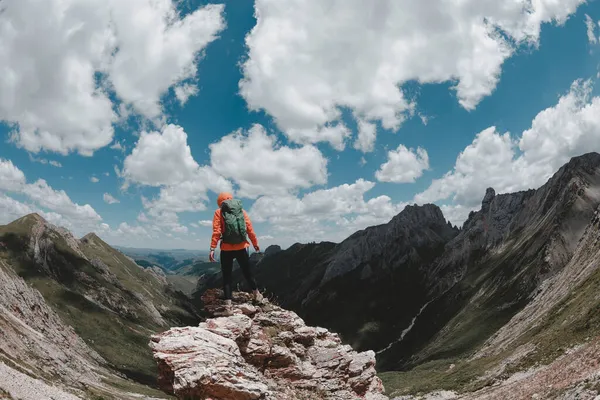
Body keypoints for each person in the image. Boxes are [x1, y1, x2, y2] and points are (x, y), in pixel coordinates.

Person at [209, 192, 263, 306]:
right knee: (247, 272)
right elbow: (249, 229)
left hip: (226, 248)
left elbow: (217, 231)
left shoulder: (219, 212)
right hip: (241, 247)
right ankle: (257, 295)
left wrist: (212, 248)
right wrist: (255, 243)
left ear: (220, 203)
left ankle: (228, 306)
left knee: (227, 276)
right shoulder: (241, 212)